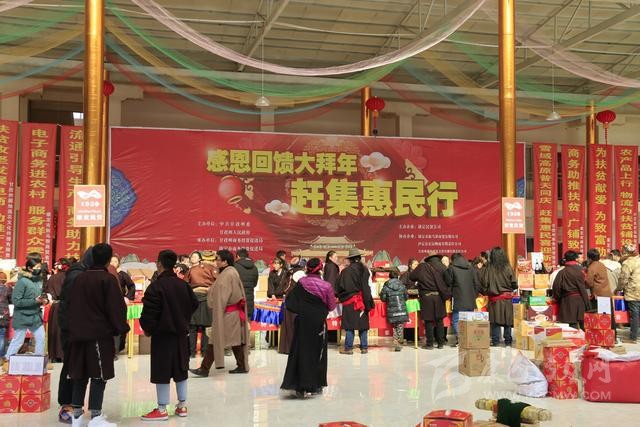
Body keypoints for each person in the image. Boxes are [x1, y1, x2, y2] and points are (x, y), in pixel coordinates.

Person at [67, 243, 129, 427]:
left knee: (80, 374)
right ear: (109, 260)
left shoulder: (80, 278)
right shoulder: (107, 279)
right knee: (98, 375)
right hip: (98, 334)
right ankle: (95, 416)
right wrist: (120, 328)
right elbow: (116, 308)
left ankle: (77, 416)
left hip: (78, 334)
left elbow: (70, 305)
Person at [139, 250, 198, 421]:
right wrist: (183, 319)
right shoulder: (183, 285)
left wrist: (148, 329)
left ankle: (162, 409)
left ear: (159, 263)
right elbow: (194, 304)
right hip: (181, 335)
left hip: (162, 336)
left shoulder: (155, 287)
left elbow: (149, 313)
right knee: (181, 368)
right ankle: (182, 406)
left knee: (161, 370)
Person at [281, 258, 336, 398]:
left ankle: (298, 385)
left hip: (302, 322)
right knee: (318, 352)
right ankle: (315, 385)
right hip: (318, 323)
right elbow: (331, 306)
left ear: (307, 269)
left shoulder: (301, 283)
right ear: (320, 269)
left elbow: (290, 303)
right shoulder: (326, 286)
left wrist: (303, 309)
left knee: (300, 351)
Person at [57, 248, 93, 424]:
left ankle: (73, 404)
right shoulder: (77, 275)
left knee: (76, 366)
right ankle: (66, 406)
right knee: (71, 366)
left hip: (75, 328)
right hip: (72, 329)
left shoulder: (80, 272)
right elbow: (72, 305)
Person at [208, 249, 250, 373]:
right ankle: (242, 366)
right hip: (232, 313)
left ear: (225, 262)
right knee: (235, 340)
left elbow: (222, 295)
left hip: (228, 313)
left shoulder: (227, 274)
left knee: (216, 338)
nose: (215, 262)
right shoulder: (231, 271)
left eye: (217, 259)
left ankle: (204, 368)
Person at [4, 253, 48, 359]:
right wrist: (34, 301)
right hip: (22, 316)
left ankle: (39, 360)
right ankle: (9, 359)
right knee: (18, 340)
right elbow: (16, 301)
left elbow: (39, 296)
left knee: (41, 338)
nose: (39, 269)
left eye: (40, 267)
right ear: (30, 268)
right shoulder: (22, 281)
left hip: (35, 316)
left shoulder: (38, 281)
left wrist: (43, 300)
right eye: (37, 267)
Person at [335, 249, 374, 354]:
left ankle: (348, 348)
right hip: (363, 299)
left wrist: (338, 295)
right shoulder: (365, 270)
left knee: (349, 325)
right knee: (363, 325)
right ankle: (364, 347)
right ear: (359, 258)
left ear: (350, 259)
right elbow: (367, 286)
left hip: (350, 300)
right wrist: (368, 301)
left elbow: (340, 286)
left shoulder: (346, 271)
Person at [478, 247, 517, 347]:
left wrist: (487, 292)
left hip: (494, 300)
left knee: (494, 321)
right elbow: (514, 284)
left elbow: (484, 284)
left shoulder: (489, 268)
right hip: (507, 299)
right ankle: (508, 341)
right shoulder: (508, 267)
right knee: (507, 320)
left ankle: (495, 341)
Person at [410, 256, 451, 349]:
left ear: (428, 260)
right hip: (439, 297)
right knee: (439, 321)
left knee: (429, 321)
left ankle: (430, 344)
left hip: (426, 297)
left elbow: (411, 277)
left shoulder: (422, 266)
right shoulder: (442, 267)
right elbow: (449, 281)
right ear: (438, 259)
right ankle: (440, 343)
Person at [185, 251, 217, 357]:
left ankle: (201, 352)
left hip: (205, 298)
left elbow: (216, 282)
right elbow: (185, 285)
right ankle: (195, 352)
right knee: (195, 327)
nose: (192, 258)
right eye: (191, 257)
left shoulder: (208, 268)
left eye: (194, 256)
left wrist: (207, 289)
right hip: (196, 298)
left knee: (203, 326)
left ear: (200, 259)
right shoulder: (190, 270)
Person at [444, 253, 480, 346]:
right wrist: (474, 295)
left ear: (452, 260)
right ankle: (468, 339)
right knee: (469, 320)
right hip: (470, 299)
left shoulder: (452, 268)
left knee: (456, 320)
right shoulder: (471, 268)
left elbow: (448, 282)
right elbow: (476, 283)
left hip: (458, 298)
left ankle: (462, 339)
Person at [552, 250, 590, 330]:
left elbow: (556, 287)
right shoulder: (582, 270)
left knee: (571, 327)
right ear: (576, 259)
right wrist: (587, 303)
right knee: (584, 326)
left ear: (566, 259)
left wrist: (558, 298)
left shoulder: (562, 272)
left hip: (567, 301)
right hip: (581, 300)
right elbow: (587, 285)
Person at [45, 258, 71, 362]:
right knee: (64, 330)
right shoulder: (69, 277)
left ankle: (54, 355)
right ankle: (64, 354)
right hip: (66, 306)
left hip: (54, 306)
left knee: (54, 330)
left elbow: (47, 291)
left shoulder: (52, 277)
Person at [379, 269, 409, 351]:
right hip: (401, 308)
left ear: (389, 277)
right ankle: (398, 341)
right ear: (398, 276)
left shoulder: (386, 286)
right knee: (400, 325)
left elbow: (383, 298)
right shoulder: (402, 285)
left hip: (392, 310)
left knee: (394, 326)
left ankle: (396, 342)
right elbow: (406, 297)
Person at [278, 269, 305, 355]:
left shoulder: (291, 286)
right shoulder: (299, 287)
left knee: (289, 328)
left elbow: (282, 290)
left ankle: (287, 348)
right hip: (295, 309)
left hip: (290, 308)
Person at [618, 244, 640, 344]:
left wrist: (618, 289)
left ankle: (633, 337)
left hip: (633, 292)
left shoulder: (627, 263)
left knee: (634, 315)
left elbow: (623, 279)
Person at [235, 248, 259, 321]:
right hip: (250, 300)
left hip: (238, 300)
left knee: (237, 324)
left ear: (238, 256)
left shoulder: (235, 266)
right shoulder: (254, 267)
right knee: (247, 323)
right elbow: (255, 284)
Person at [0, 271, 11, 359]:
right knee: (2, 335)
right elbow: (12, 300)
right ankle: (1, 356)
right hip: (3, 314)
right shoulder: (8, 288)